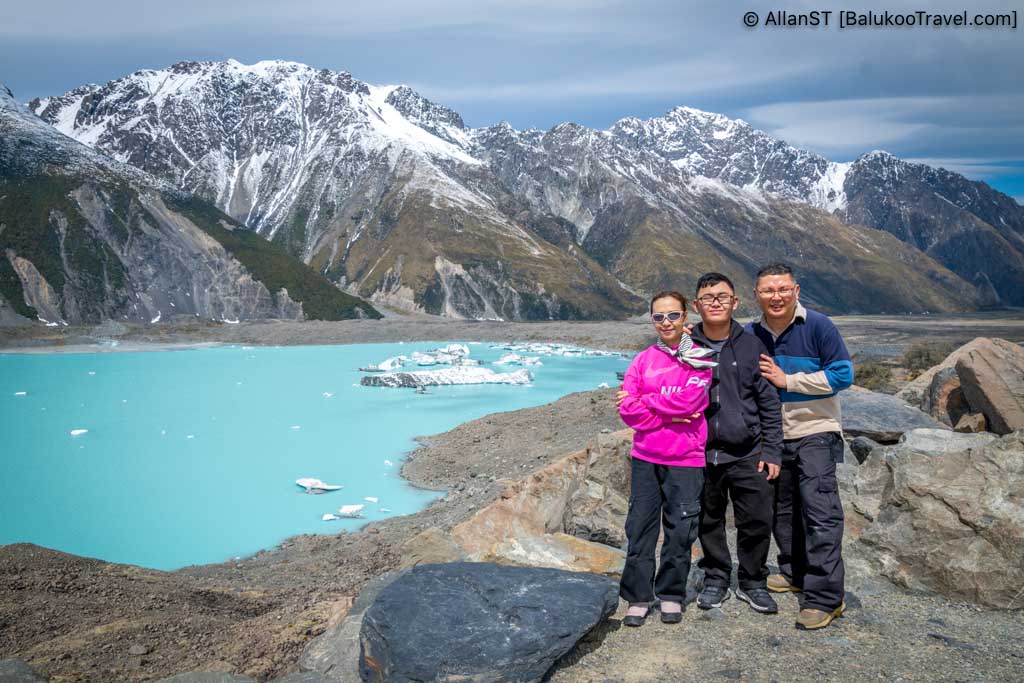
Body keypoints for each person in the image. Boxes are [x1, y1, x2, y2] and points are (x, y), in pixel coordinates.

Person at [747, 263, 854, 631]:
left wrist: (787, 379)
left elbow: (843, 375)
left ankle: (825, 597)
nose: (775, 296)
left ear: (796, 291)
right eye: (767, 290)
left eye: (782, 289)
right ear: (756, 295)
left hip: (815, 429)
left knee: (820, 509)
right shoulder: (752, 334)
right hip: (775, 435)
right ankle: (794, 571)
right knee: (783, 508)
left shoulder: (819, 326)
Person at [614, 291, 715, 626]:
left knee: (680, 528)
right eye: (659, 317)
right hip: (646, 457)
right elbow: (628, 411)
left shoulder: (699, 357)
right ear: (652, 320)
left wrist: (649, 400)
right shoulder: (643, 360)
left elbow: (693, 403)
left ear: (685, 316)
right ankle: (638, 596)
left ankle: (671, 593)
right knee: (640, 526)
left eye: (673, 315)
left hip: (686, 458)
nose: (666, 323)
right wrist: (668, 412)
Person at [688, 273, 783, 615]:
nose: (715, 302)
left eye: (722, 296)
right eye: (708, 297)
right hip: (699, 452)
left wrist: (772, 449)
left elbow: (768, 402)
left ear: (735, 302)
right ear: (696, 305)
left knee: (756, 519)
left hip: (747, 452)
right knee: (708, 520)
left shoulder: (750, 345)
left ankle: (753, 580)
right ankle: (715, 577)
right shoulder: (685, 346)